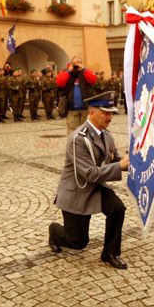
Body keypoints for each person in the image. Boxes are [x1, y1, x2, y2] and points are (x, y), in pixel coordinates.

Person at [49, 91, 130, 269]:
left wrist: (133, 162)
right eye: (106, 113)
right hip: (77, 191)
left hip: (95, 186)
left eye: (111, 113)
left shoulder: (106, 135)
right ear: (92, 112)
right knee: (78, 241)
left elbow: (115, 160)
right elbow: (90, 174)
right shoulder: (78, 139)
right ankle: (54, 232)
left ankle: (110, 253)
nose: (110, 118)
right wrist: (120, 165)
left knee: (117, 209)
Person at [56, 55, 96, 134]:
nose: (76, 65)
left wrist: (84, 69)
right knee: (72, 131)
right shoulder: (66, 72)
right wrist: (68, 71)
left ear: (81, 63)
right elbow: (59, 83)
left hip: (85, 108)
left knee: (86, 131)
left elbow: (93, 80)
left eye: (78, 63)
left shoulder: (85, 72)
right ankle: (73, 142)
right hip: (71, 108)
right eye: (74, 63)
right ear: (70, 63)